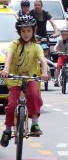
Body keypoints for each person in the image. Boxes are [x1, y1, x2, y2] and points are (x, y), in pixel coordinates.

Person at [0, 15, 49, 147]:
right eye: (23, 31)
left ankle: (34, 124)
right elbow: (9, 57)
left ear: (33, 31)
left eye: (29, 31)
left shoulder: (36, 47)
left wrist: (44, 73)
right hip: (14, 80)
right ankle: (8, 129)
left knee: (34, 95)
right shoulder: (13, 45)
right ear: (19, 32)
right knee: (11, 105)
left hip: (31, 78)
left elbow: (43, 61)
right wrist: (6, 69)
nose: (26, 34)